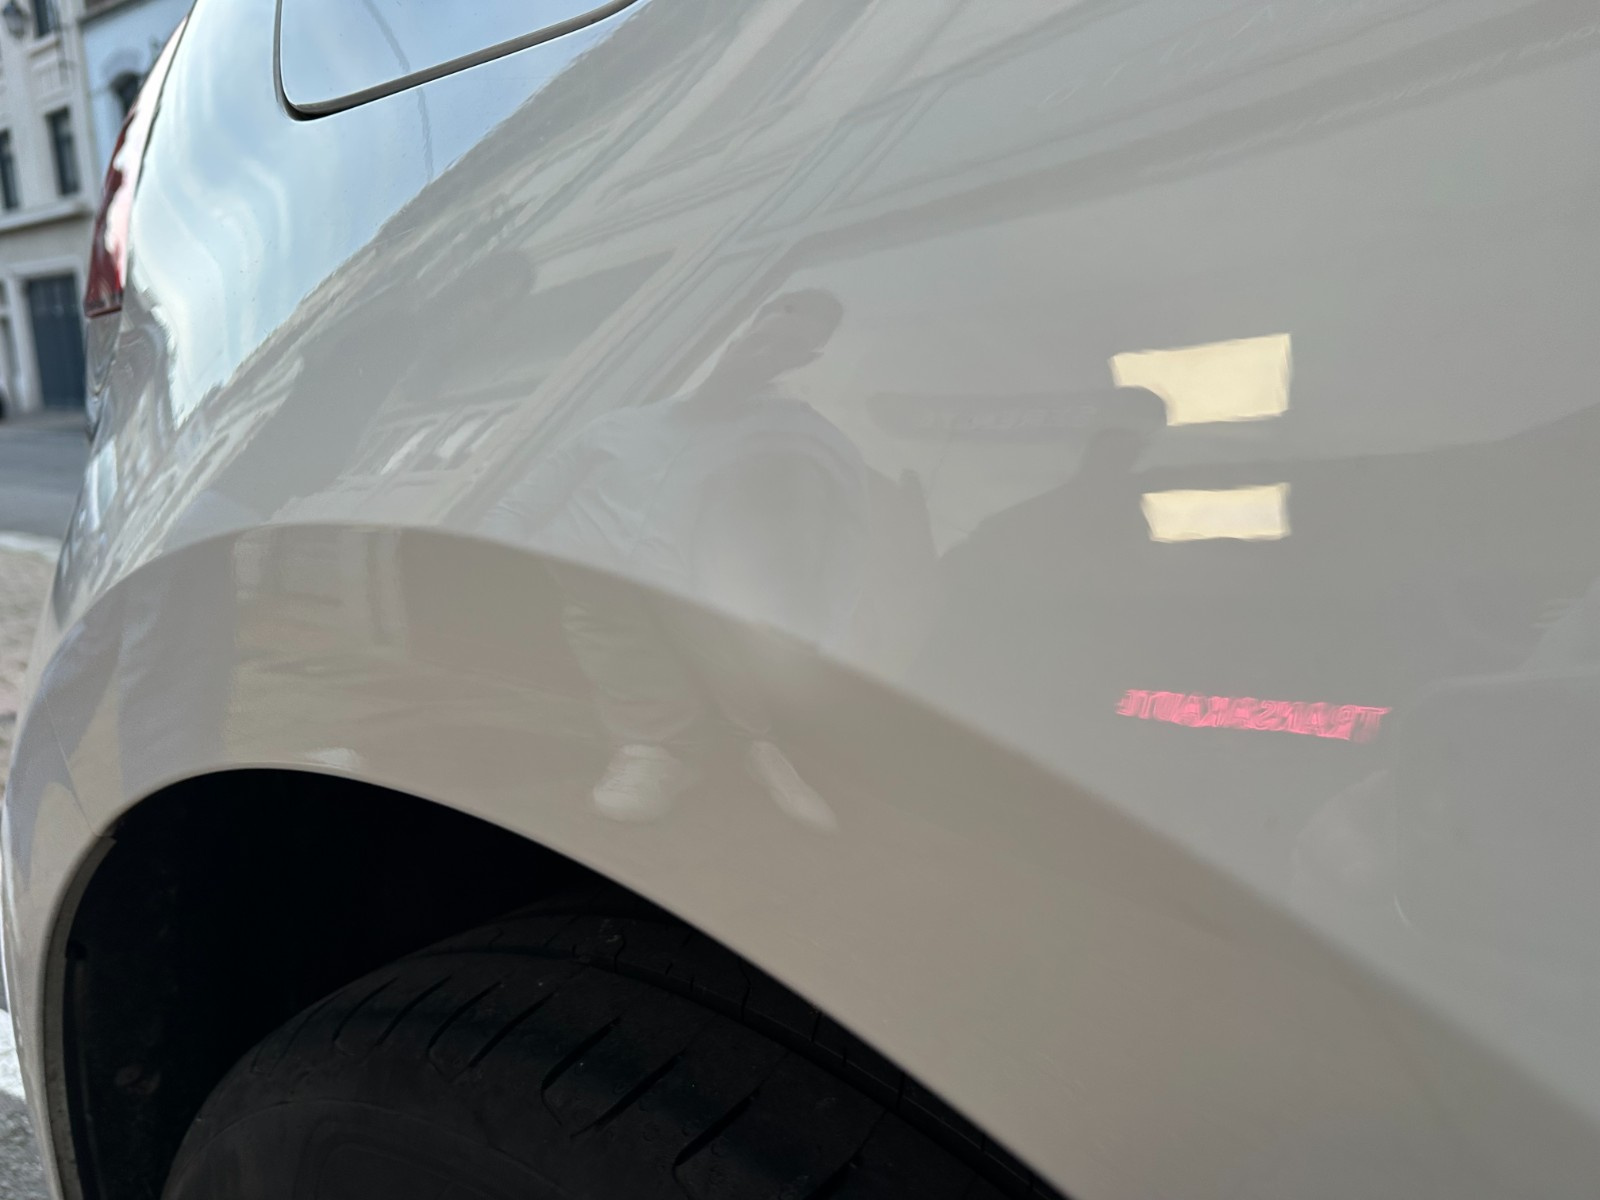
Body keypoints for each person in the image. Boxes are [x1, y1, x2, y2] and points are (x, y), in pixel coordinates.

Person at [482, 289, 867, 825]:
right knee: (607, 598)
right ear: (736, 337)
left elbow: (830, 550)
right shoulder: (619, 427)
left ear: (804, 362)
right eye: (759, 339)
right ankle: (659, 750)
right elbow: (519, 507)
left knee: (703, 624)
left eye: (785, 348)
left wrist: (820, 635)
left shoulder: (790, 444)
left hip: (683, 601)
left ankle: (759, 747)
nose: (761, 355)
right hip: (577, 590)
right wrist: (502, 570)